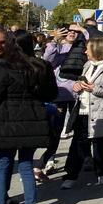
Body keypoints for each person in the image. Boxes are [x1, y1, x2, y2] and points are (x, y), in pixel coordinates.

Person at [0, 27, 57, 204]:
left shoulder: (3, 67)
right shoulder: (39, 66)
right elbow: (50, 94)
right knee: (27, 166)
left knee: (0, 168)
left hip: (5, 124)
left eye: (3, 42)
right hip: (32, 122)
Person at [60, 36, 103, 189]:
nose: (84, 51)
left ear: (96, 49)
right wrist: (77, 86)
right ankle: (71, 175)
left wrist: (96, 88)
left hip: (102, 112)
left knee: (101, 145)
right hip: (83, 110)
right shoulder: (87, 64)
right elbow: (82, 81)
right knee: (78, 144)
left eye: (87, 48)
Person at [40, 24, 82, 175]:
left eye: (75, 31)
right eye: (69, 31)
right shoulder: (57, 47)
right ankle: (49, 159)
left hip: (78, 94)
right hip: (60, 94)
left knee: (79, 129)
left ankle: (81, 159)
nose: (72, 33)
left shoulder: (82, 48)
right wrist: (54, 41)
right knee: (55, 130)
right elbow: (47, 61)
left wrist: (83, 31)